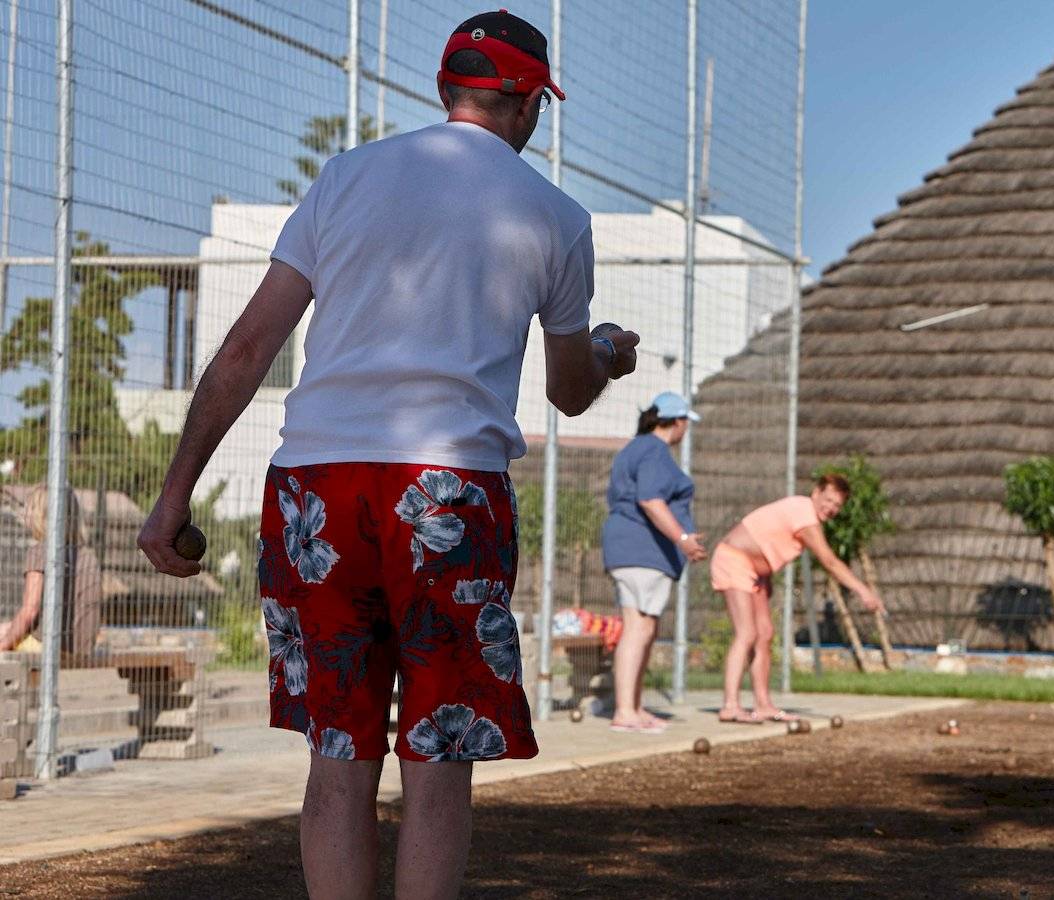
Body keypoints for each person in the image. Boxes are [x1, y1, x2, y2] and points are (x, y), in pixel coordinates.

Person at [138, 11, 639, 898]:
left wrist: (173, 495)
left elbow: (246, 353)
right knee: (439, 759)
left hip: (316, 491)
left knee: (339, 754)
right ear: (527, 103)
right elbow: (568, 390)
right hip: (448, 497)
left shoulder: (345, 179)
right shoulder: (557, 217)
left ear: (445, 90)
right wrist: (603, 352)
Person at [710, 475, 883, 724]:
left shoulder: (806, 514)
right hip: (734, 560)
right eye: (828, 500)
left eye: (837, 505)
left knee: (765, 633)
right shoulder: (804, 514)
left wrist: (766, 580)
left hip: (755, 572)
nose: (831, 508)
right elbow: (829, 561)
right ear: (816, 493)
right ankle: (730, 706)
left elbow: (764, 541)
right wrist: (863, 590)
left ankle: (764, 705)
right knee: (746, 633)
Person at [601, 392, 706, 733]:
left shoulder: (636, 447)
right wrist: (683, 539)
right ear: (677, 422)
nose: (686, 430)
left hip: (634, 549)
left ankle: (634, 707)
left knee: (645, 626)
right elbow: (650, 499)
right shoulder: (654, 450)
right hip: (641, 550)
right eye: (685, 423)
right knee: (638, 626)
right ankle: (625, 712)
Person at [0, 487, 101, 660]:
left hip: (49, 646)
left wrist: (2, 646)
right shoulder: (88, 555)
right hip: (83, 647)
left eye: (29, 509)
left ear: (40, 516)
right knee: (5, 627)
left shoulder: (40, 551)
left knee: (6, 632)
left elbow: (30, 611)